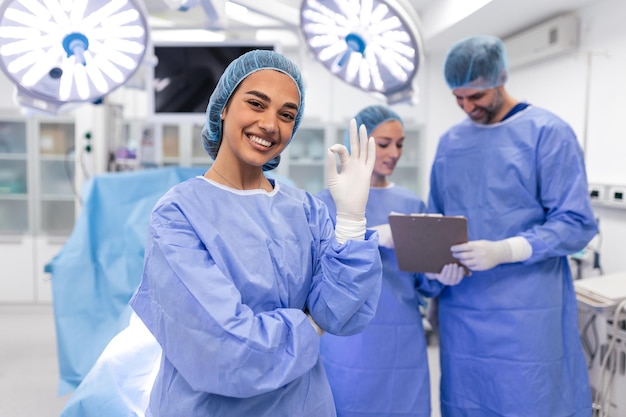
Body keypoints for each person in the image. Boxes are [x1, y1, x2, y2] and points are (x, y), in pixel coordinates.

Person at [129, 49, 383, 417]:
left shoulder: (306, 210)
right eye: (256, 104)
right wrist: (309, 325)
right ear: (223, 108)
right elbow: (221, 346)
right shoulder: (179, 213)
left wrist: (350, 221)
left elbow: (343, 314)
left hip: (303, 404)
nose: (269, 124)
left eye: (286, 115)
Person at [428, 35, 598, 416]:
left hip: (527, 311)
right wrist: (438, 266)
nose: (467, 106)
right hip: (463, 311)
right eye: (459, 98)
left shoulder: (547, 133)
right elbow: (437, 218)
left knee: (528, 400)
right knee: (467, 401)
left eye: (476, 97)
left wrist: (508, 249)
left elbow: (576, 222)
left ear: (500, 78)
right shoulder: (450, 143)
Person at [316, 105, 464, 417]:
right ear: (359, 143)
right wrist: (369, 235)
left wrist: (439, 277)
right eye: (383, 143)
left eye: (400, 144)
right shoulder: (326, 203)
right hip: (348, 339)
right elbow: (318, 272)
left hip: (401, 336)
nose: (394, 152)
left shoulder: (411, 203)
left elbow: (420, 280)